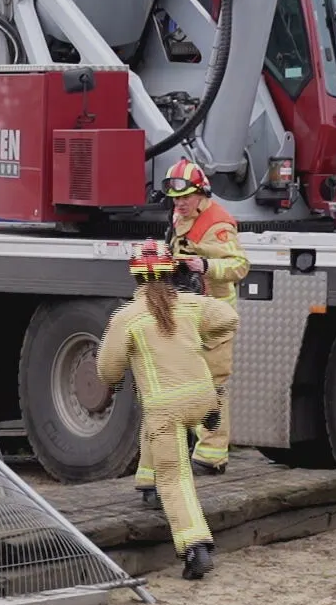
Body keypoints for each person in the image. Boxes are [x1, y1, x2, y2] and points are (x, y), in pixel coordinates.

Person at [96, 240, 239, 581]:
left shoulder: (127, 318)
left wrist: (119, 375)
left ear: (135, 277)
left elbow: (107, 370)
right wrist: (203, 336)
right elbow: (229, 317)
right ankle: (148, 481)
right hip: (202, 396)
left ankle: (195, 546)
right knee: (161, 425)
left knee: (174, 475)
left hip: (167, 407)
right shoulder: (190, 305)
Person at [160, 159, 248, 476]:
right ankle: (195, 445)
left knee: (212, 385)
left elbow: (239, 266)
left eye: (186, 197)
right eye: (175, 198)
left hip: (215, 314)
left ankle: (213, 455)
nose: (180, 203)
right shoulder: (179, 215)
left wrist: (207, 267)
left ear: (201, 193)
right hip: (187, 311)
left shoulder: (218, 224)